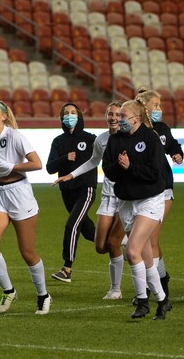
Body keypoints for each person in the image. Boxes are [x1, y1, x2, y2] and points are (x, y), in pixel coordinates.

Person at [0, 100, 52, 315]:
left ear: (4, 116)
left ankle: (43, 295)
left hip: (19, 194)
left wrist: (12, 167)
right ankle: (8, 290)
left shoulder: (15, 136)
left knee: (27, 252)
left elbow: (37, 163)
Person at [102, 99, 171, 320]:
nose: (118, 119)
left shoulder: (150, 139)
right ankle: (162, 300)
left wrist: (131, 167)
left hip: (150, 200)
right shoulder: (115, 141)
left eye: (123, 116)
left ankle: (142, 301)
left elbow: (154, 173)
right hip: (126, 202)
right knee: (146, 257)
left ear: (136, 118)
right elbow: (108, 170)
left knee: (132, 251)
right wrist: (121, 167)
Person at [53, 101, 127, 299]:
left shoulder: (130, 137)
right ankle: (125, 241)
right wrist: (71, 175)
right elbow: (93, 161)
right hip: (107, 196)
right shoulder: (101, 140)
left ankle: (118, 289)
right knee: (101, 246)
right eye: (110, 114)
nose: (113, 118)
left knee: (114, 244)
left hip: (128, 196)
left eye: (117, 115)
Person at [135, 89, 183, 300]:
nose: (159, 109)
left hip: (163, 188)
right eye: (155, 105)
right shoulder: (136, 130)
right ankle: (161, 278)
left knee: (150, 240)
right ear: (145, 108)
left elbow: (172, 144)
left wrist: (177, 153)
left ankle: (147, 289)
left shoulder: (162, 128)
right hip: (142, 189)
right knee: (148, 242)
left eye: (159, 106)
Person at [46, 102, 97, 283]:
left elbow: (97, 161)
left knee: (71, 225)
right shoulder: (58, 141)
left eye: (73, 112)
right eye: (66, 113)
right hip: (67, 193)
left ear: (79, 116)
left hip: (86, 190)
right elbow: (49, 168)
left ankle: (67, 268)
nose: (69, 116)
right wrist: (64, 158)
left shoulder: (91, 139)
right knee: (89, 232)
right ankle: (120, 243)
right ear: (61, 118)